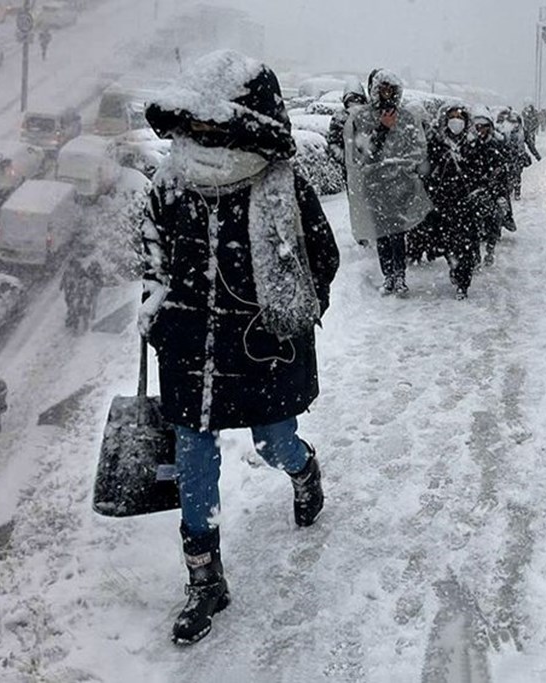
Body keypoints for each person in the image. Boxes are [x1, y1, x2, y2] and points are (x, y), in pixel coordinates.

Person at [142, 49, 340, 646]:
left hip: (261, 349)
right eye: (194, 124)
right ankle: (204, 579)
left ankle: (304, 470)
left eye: (213, 125)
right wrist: (158, 314)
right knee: (194, 457)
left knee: (271, 441)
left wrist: (288, 319)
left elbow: (321, 261)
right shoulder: (170, 182)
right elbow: (150, 258)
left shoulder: (280, 186)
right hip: (190, 350)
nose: (200, 135)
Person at [343, 70, 432, 296]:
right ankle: (388, 276)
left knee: (397, 232)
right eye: (383, 89)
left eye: (391, 90)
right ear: (375, 91)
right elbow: (362, 154)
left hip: (400, 185)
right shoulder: (362, 118)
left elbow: (418, 149)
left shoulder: (407, 118)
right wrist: (382, 129)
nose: (387, 94)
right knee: (381, 232)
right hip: (374, 185)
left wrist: (405, 168)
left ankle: (399, 276)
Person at [425, 103, 479, 300]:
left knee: (465, 244)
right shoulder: (437, 142)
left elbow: (479, 171)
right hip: (443, 202)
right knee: (448, 243)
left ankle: (463, 282)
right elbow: (428, 170)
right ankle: (453, 266)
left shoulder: (472, 144)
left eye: (460, 117)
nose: (456, 121)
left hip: (465, 203)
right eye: (452, 117)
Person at [467, 107, 510, 267]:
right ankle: (476, 256)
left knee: (494, 221)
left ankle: (490, 250)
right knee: (472, 226)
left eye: (483, 126)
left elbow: (502, 171)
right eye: (477, 126)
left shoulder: (497, 145)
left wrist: (499, 193)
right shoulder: (469, 146)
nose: (480, 130)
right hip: (474, 191)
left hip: (493, 191)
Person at [325, 89, 367, 164]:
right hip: (348, 162)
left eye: (357, 101)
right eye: (351, 102)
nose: (354, 105)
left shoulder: (368, 117)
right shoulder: (340, 118)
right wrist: (343, 158)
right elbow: (333, 140)